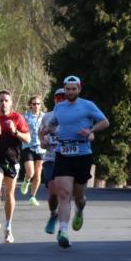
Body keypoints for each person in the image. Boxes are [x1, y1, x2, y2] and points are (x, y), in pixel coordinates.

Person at [43, 76, 109, 248]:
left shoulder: (88, 105)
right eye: (67, 89)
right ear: (64, 90)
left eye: (73, 89)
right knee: (64, 194)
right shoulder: (59, 107)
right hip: (63, 153)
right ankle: (63, 231)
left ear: (79, 89)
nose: (70, 92)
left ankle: (79, 210)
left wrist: (91, 129)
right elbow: (53, 123)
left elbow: (105, 122)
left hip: (82, 154)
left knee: (78, 196)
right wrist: (49, 130)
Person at [0, 91, 29, 243]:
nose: (3, 103)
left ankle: (8, 227)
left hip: (12, 160)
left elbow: (28, 138)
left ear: (11, 103)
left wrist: (15, 131)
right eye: (1, 101)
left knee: (9, 194)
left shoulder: (17, 117)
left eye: (6, 100)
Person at [39, 89, 67, 235]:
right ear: (54, 99)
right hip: (50, 158)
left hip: (67, 158)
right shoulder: (48, 116)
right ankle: (53, 214)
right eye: (58, 97)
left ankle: (63, 228)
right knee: (53, 193)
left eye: (63, 97)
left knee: (64, 193)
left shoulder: (71, 116)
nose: (60, 100)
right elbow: (41, 133)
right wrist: (43, 141)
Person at [19, 95, 46, 207]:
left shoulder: (45, 117)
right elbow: (20, 129)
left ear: (41, 105)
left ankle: (32, 196)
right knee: (31, 172)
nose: (36, 106)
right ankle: (26, 180)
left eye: (38, 104)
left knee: (38, 172)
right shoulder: (25, 117)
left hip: (41, 147)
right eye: (34, 104)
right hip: (28, 146)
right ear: (30, 105)